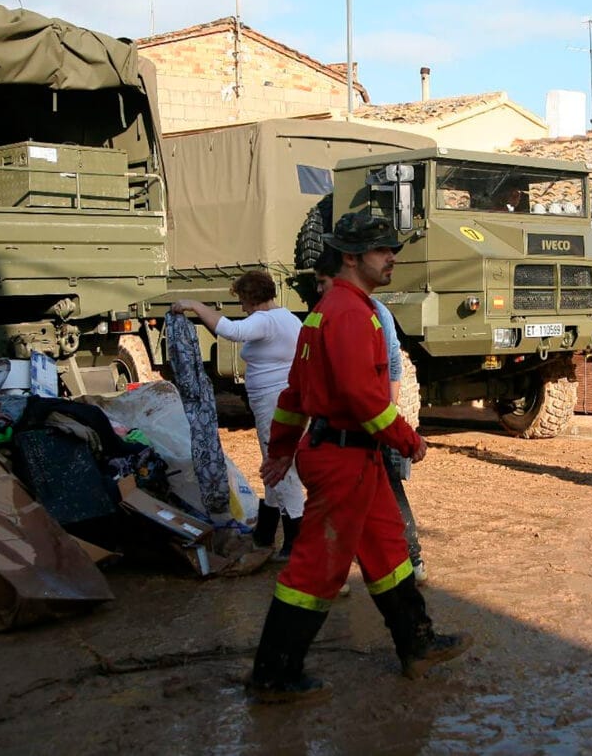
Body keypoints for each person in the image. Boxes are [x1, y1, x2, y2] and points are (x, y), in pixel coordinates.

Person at [247, 211, 470, 704]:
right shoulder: (349, 314)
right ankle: (275, 674)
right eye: (381, 250)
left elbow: (294, 394)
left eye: (392, 249)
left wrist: (284, 449)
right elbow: (361, 398)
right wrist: (408, 439)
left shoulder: (332, 309)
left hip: (350, 456)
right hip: (345, 457)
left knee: (389, 551)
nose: (391, 258)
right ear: (350, 257)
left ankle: (417, 644)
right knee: (317, 567)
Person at [171, 270, 305, 559]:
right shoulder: (288, 318)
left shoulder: (264, 320)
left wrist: (194, 305)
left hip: (273, 403)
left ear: (250, 297)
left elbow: (232, 331)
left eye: (242, 300)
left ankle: (296, 540)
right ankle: (265, 533)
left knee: (282, 468)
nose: (242, 307)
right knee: (274, 466)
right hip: (281, 400)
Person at [314, 254, 427, 586]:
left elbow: (380, 374)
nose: (320, 290)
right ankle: (404, 568)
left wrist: (393, 422)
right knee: (378, 501)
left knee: (380, 498)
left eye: (323, 282)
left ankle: (409, 563)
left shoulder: (360, 313)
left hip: (354, 432)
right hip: (351, 431)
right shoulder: (330, 314)